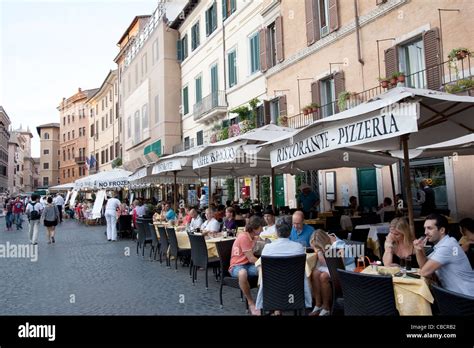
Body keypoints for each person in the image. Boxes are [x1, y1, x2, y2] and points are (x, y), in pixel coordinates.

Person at [255, 217, 312, 314]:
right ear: (290, 232)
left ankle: (277, 310)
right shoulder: (299, 247)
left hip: (272, 289)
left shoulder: (267, 248)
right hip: (294, 289)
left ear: (276, 232)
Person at [413, 214, 474, 296]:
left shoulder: (447, 246)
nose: (425, 232)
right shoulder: (442, 245)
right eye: (425, 228)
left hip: (465, 298)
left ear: (442, 230)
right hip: (454, 295)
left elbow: (425, 272)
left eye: (429, 228)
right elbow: (425, 267)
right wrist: (419, 250)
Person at [309, 229, 356, 316]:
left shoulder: (338, 245)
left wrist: (319, 252)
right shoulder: (325, 238)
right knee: (314, 273)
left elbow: (339, 264)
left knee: (323, 276)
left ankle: (326, 307)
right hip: (331, 265)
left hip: (345, 268)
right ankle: (318, 304)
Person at [229, 216, 263, 315]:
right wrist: (265, 262)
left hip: (247, 265)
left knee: (264, 270)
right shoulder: (244, 237)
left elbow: (257, 239)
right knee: (243, 273)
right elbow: (252, 259)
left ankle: (265, 300)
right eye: (261, 227)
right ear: (254, 228)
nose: (262, 229)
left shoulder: (251, 236)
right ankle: (251, 303)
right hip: (236, 266)